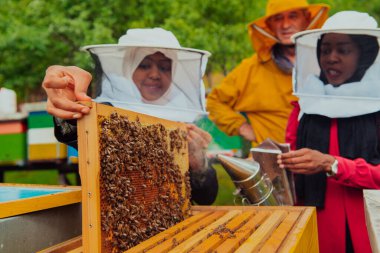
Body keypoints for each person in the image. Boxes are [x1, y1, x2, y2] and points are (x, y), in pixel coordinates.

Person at [42, 28, 218, 205]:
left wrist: (199, 164)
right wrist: (69, 99)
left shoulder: (182, 119)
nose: (155, 74)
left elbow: (206, 197)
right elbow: (73, 131)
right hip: (113, 226)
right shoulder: (108, 113)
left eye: (165, 67)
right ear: (127, 68)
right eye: (144, 65)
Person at [278, 11, 380, 253]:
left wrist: (333, 164)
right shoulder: (306, 105)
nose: (331, 58)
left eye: (343, 50)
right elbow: (290, 163)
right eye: (325, 50)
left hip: (369, 227)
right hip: (313, 223)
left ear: (365, 56)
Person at [206, 0, 329, 149]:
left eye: (293, 16)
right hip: (271, 160)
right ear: (270, 25)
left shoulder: (327, 62)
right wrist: (242, 127)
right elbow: (214, 102)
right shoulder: (251, 68)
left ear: (307, 18)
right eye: (278, 19)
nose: (285, 25)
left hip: (320, 158)